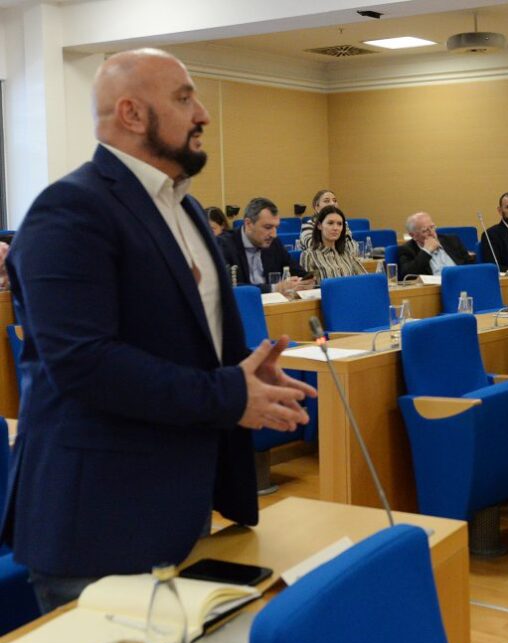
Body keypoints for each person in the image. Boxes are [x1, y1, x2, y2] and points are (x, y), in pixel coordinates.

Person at [1, 48, 316, 612]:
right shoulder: (68, 210)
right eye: (184, 98)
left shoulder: (185, 209)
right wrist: (228, 393)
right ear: (131, 113)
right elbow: (85, 364)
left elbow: (181, 337)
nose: (203, 114)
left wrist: (244, 370)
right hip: (97, 521)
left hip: (178, 501)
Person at [219, 196, 313, 294]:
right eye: (268, 227)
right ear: (248, 224)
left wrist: (306, 281)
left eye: (276, 227)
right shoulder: (224, 245)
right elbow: (229, 287)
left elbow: (297, 271)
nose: (274, 234)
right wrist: (274, 288)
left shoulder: (274, 243)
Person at [299, 205, 367, 281]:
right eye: (330, 223)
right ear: (319, 226)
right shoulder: (308, 255)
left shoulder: (347, 252)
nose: (335, 228)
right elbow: (307, 286)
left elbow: (365, 279)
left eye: (339, 224)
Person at [397, 211, 471, 278]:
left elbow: (469, 264)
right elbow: (406, 274)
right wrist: (426, 251)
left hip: (461, 281)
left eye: (432, 227)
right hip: (434, 287)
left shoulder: (452, 240)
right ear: (413, 235)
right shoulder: (407, 249)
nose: (432, 233)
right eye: (425, 230)